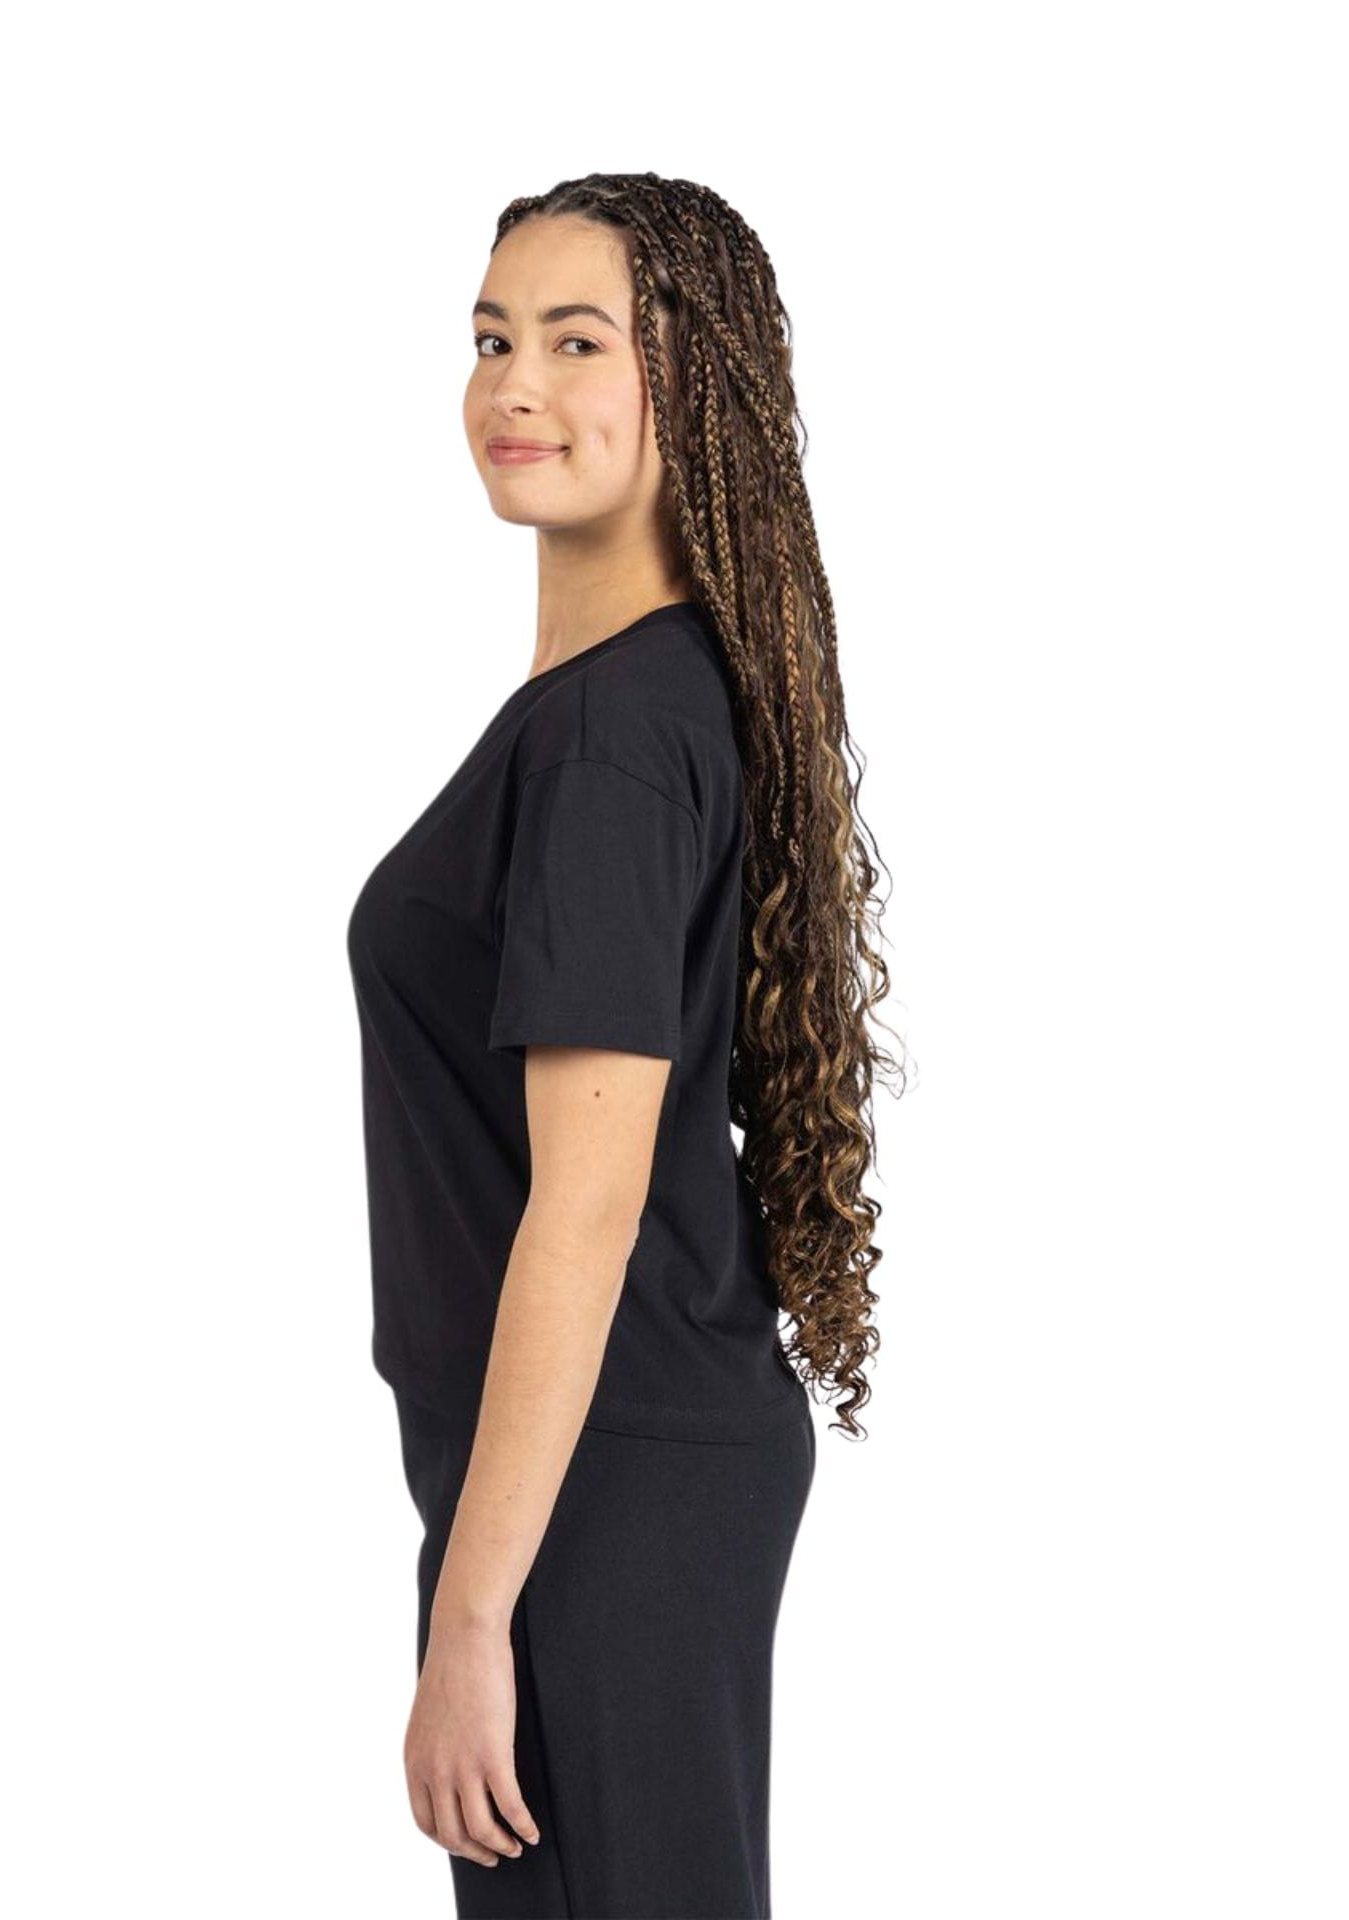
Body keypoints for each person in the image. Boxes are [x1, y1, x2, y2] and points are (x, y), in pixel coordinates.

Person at [346, 172, 894, 1919]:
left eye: (578, 342)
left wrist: (472, 1620)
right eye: (492, 337)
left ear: (692, 380)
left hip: (597, 1483)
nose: (514, 385)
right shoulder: (624, 708)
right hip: (601, 1465)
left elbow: (584, 1209)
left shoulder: (611, 741)